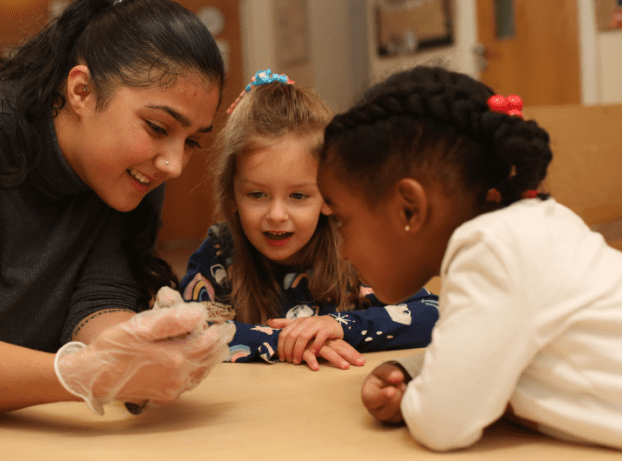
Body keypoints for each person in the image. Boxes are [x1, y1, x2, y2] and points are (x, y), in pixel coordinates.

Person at [0, 0, 234, 416]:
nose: (173, 165)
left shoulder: (133, 173)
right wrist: (86, 372)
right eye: (158, 128)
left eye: (191, 141)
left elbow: (99, 301)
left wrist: (145, 345)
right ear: (81, 90)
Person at [318, 66, 622, 451]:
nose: (342, 249)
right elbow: (485, 352)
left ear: (409, 209)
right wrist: (414, 372)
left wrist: (417, 401)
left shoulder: (493, 252)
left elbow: (441, 425)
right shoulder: (533, 228)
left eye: (342, 221)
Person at [178, 70, 439, 371]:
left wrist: (341, 326)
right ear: (232, 196)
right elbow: (184, 331)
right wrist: (284, 343)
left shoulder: (356, 251)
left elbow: (436, 312)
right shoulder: (220, 253)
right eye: (257, 194)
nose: (276, 214)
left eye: (298, 196)